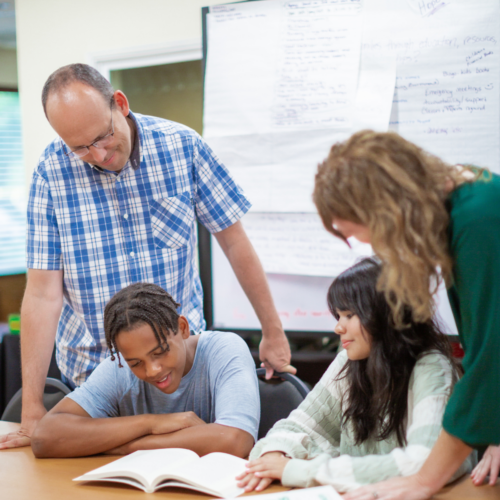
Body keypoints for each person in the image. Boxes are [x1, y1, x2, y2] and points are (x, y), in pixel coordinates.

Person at [0, 64, 294, 451]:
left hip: (175, 370)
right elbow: (42, 294)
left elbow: (234, 243)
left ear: (120, 104)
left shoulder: (181, 146)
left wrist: (273, 332)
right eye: (80, 147)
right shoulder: (51, 171)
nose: (98, 154)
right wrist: (33, 406)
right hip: (94, 375)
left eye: (102, 137)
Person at [312, 130, 500, 499]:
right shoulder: (460, 202)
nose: (372, 249)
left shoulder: (476, 220)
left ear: (387, 211)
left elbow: (490, 362)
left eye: (364, 236)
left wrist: (424, 479)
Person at [236, 258, 472, 493]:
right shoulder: (349, 360)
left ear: (387, 315)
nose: (338, 328)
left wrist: (300, 470)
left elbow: (424, 463)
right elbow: (297, 426)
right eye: (338, 316)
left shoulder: (433, 371)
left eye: (349, 315)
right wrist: (274, 455)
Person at [31, 282, 259, 458]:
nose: (152, 370)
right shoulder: (119, 368)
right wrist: (152, 423)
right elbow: (44, 437)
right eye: (136, 363)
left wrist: (127, 446)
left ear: (182, 328)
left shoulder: (225, 350)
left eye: (160, 352)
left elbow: (235, 439)